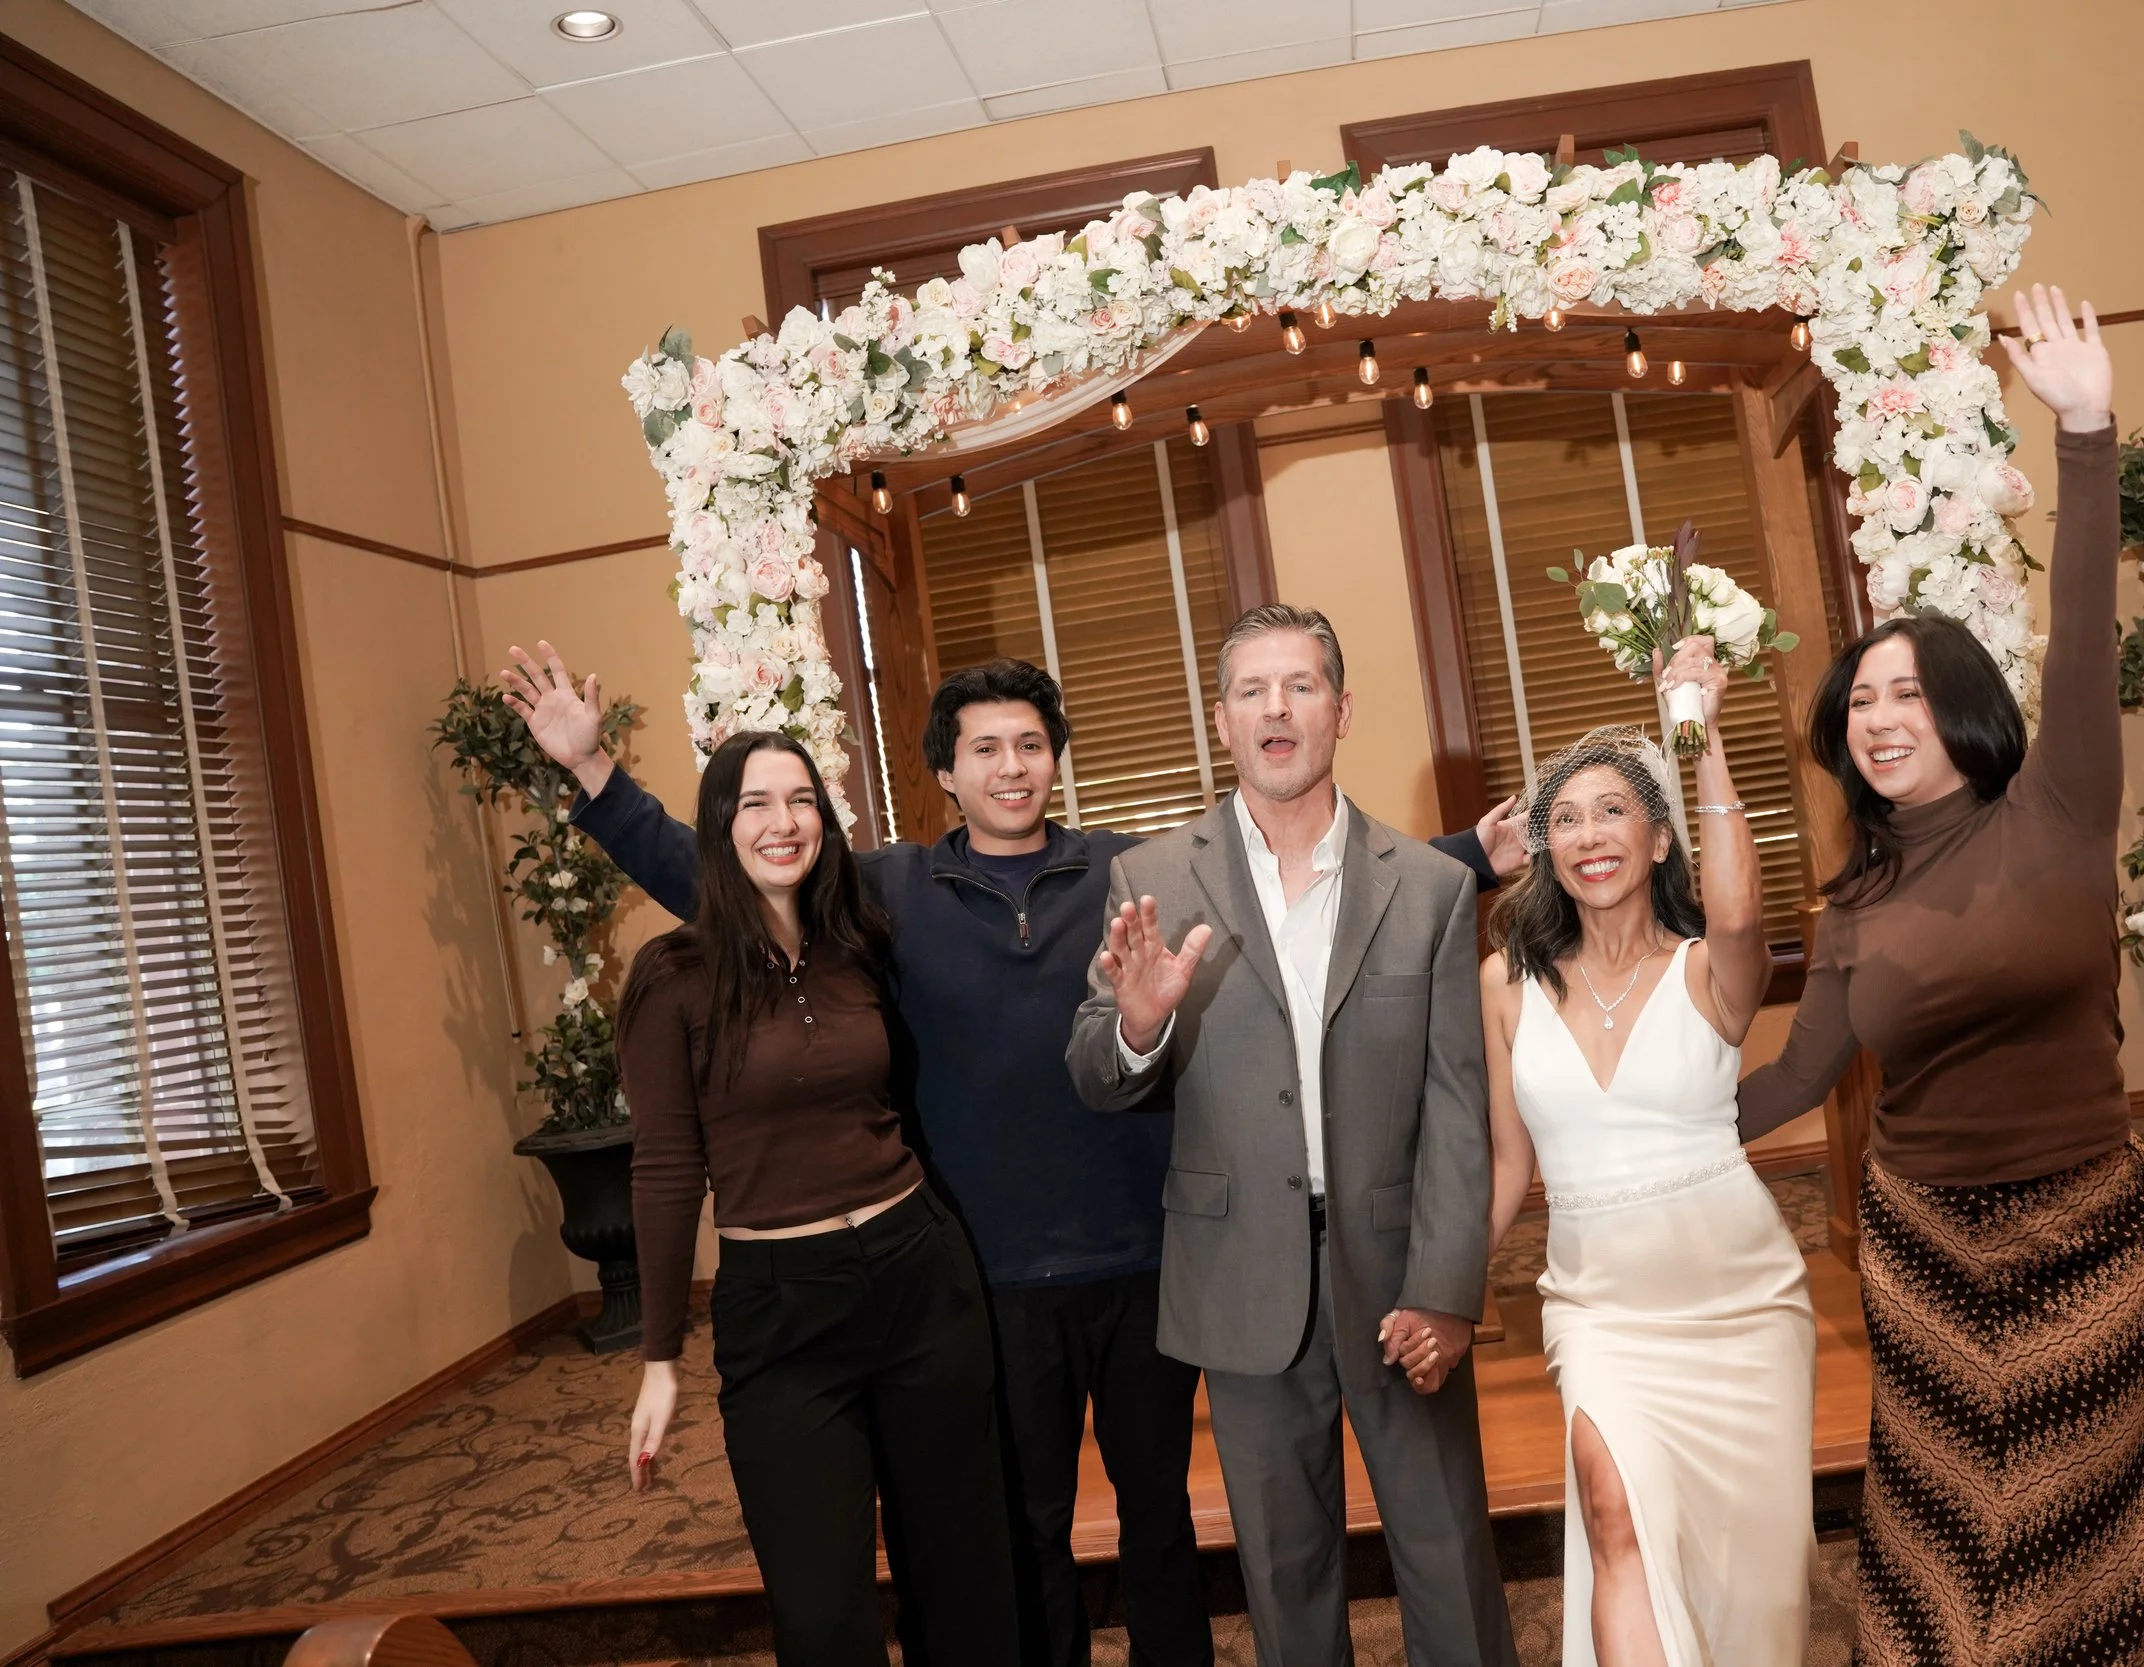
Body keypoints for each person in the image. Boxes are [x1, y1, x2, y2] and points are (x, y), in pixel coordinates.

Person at [501, 645, 1520, 1667]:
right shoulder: (885, 895)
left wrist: (1465, 854)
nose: (1010, 766)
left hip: (1144, 1257)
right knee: (1026, 1527)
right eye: (983, 748)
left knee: (1160, 1522)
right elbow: (728, 872)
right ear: (945, 771)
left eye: (1030, 744)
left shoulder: (1133, 874)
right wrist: (598, 779)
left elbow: (1298, 886)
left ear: (1056, 760)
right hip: (986, 1275)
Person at [1736, 285, 2144, 1665]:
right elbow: (1792, 1077)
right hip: (1922, 1247)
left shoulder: (2059, 801)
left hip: (2086, 1231)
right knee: (1950, 1511)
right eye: (1858, 702)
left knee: (2077, 1504)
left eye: (1902, 692)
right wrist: (1619, 1129)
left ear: (1961, 706)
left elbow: (2083, 616)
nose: (1877, 718)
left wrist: (2084, 426)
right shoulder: (1855, 901)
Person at [1068, 604, 1518, 1667]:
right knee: (1284, 1565)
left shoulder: (1434, 887)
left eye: (1301, 685)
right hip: (1241, 1277)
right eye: (1251, 689)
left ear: (1341, 710)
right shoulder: (1152, 878)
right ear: (1221, 719)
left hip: (1400, 1274)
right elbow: (1095, 1070)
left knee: (1447, 1546)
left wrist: (1449, 1286)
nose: (1276, 707)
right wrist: (1139, 1019)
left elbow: (1458, 1105)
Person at [618, 730, 1016, 1666]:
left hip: (922, 1278)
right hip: (782, 1310)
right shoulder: (671, 978)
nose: (783, 821)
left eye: (801, 799)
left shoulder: (858, 945)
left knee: (965, 1579)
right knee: (822, 1610)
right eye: (754, 802)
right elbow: (669, 1168)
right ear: (718, 826)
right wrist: (661, 1357)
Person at [1477, 653, 1815, 1665]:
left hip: (1743, 1308)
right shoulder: (1504, 982)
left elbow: (1745, 912)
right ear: (1545, 847)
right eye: (1566, 816)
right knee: (1612, 1510)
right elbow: (1504, 1162)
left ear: (1658, 834)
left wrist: (1697, 731)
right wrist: (1438, 1291)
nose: (1589, 834)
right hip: (1601, 1311)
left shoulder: (1711, 970)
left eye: (1613, 810)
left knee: (1746, 1593)